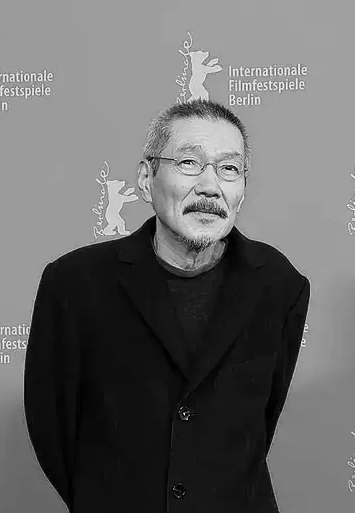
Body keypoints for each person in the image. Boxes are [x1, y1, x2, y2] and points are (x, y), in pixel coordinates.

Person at [23, 99, 310, 513]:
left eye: (229, 168)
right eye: (189, 163)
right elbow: (53, 428)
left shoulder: (279, 284)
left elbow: (263, 419)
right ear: (146, 179)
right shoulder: (75, 284)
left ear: (242, 189)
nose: (210, 186)